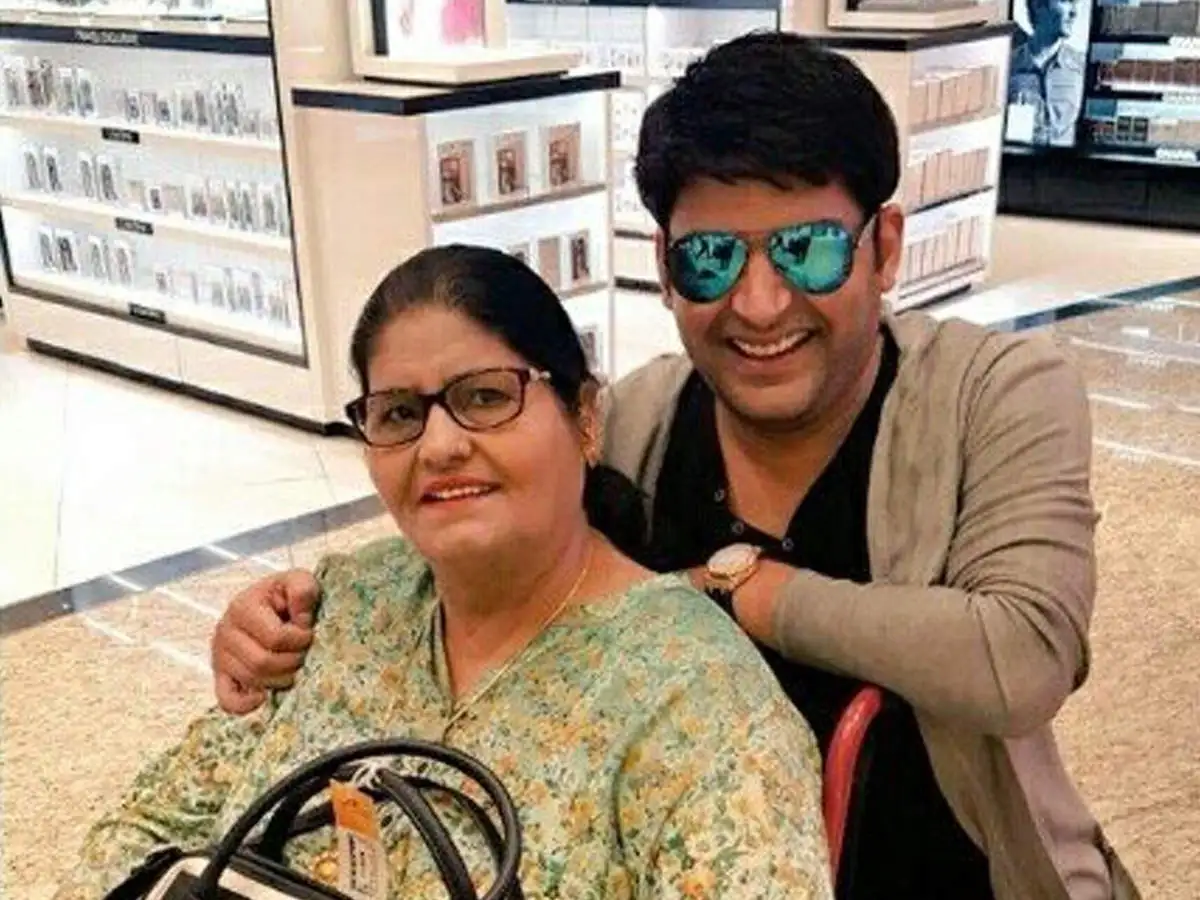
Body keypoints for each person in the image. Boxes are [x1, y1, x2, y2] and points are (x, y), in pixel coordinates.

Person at [211, 33, 1141, 900]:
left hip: (959, 873)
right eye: (710, 259)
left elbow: (1021, 658)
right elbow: (487, 534)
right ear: (663, 267)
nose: (760, 303)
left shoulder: (995, 397)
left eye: (810, 250)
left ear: (884, 247)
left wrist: (742, 590)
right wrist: (298, 612)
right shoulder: (639, 422)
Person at [55, 246, 834, 900]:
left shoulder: (696, 707)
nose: (439, 447)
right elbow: (147, 827)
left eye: (485, 398)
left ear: (585, 417)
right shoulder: (345, 609)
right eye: (399, 413)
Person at [1009, 0, 1086, 145]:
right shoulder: (1007, 65)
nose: (1074, 13)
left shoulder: (1082, 68)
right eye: (1065, 2)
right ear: (1038, 6)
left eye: (1075, 4)